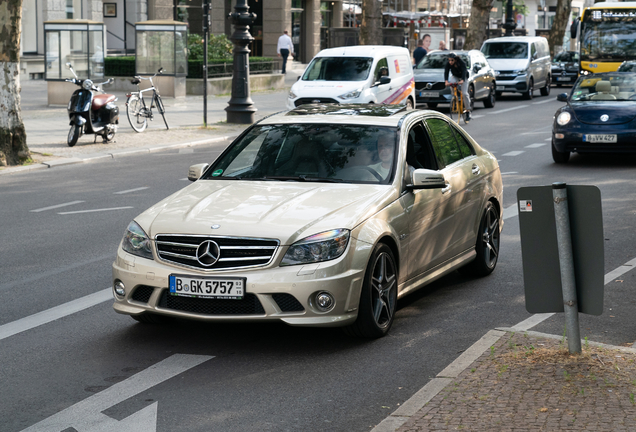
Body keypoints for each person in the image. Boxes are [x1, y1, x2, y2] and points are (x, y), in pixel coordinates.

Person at [444, 52, 471, 122]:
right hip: (455, 76)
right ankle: (454, 96)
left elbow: (464, 71)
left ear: (455, 59)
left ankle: (468, 110)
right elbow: (446, 71)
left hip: (463, 77)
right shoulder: (448, 64)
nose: (450, 62)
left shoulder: (461, 62)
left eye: (452, 60)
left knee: (464, 93)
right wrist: (446, 81)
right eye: (449, 60)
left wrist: (462, 80)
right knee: (452, 82)